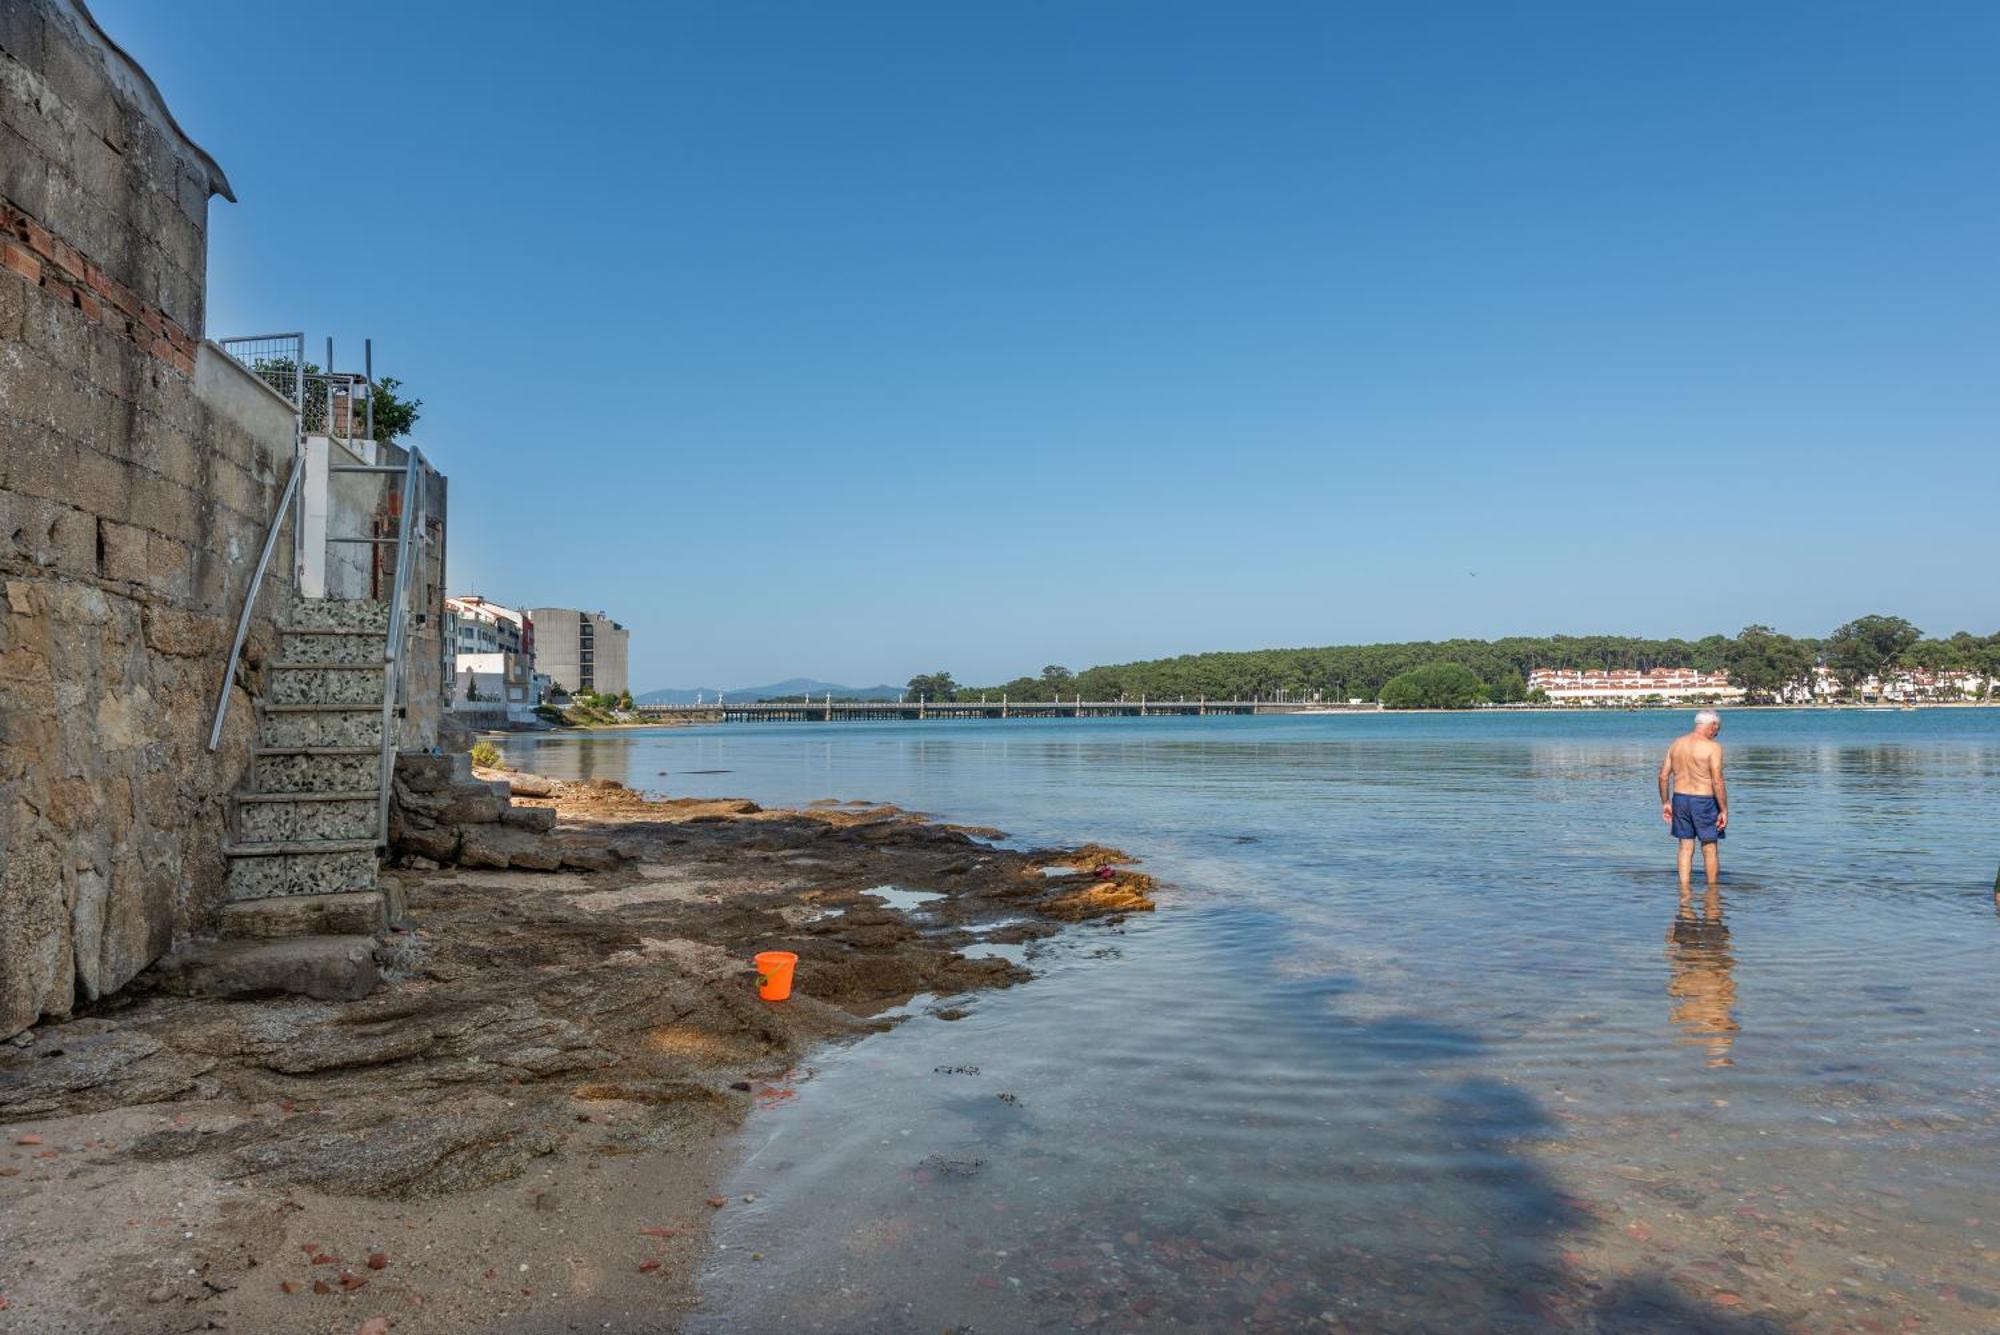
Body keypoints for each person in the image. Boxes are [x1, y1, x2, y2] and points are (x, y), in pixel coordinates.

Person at [1658, 708, 1727, 895]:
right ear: (1712, 726)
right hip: (1704, 800)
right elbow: (1717, 780)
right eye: (1717, 728)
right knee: (1710, 847)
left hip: (1680, 799)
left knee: (1685, 847)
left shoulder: (1676, 744)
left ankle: (1684, 892)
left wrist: (1665, 802)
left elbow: (1663, 776)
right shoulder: (1713, 747)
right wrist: (1724, 810)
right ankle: (1713, 893)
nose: (1717, 732)